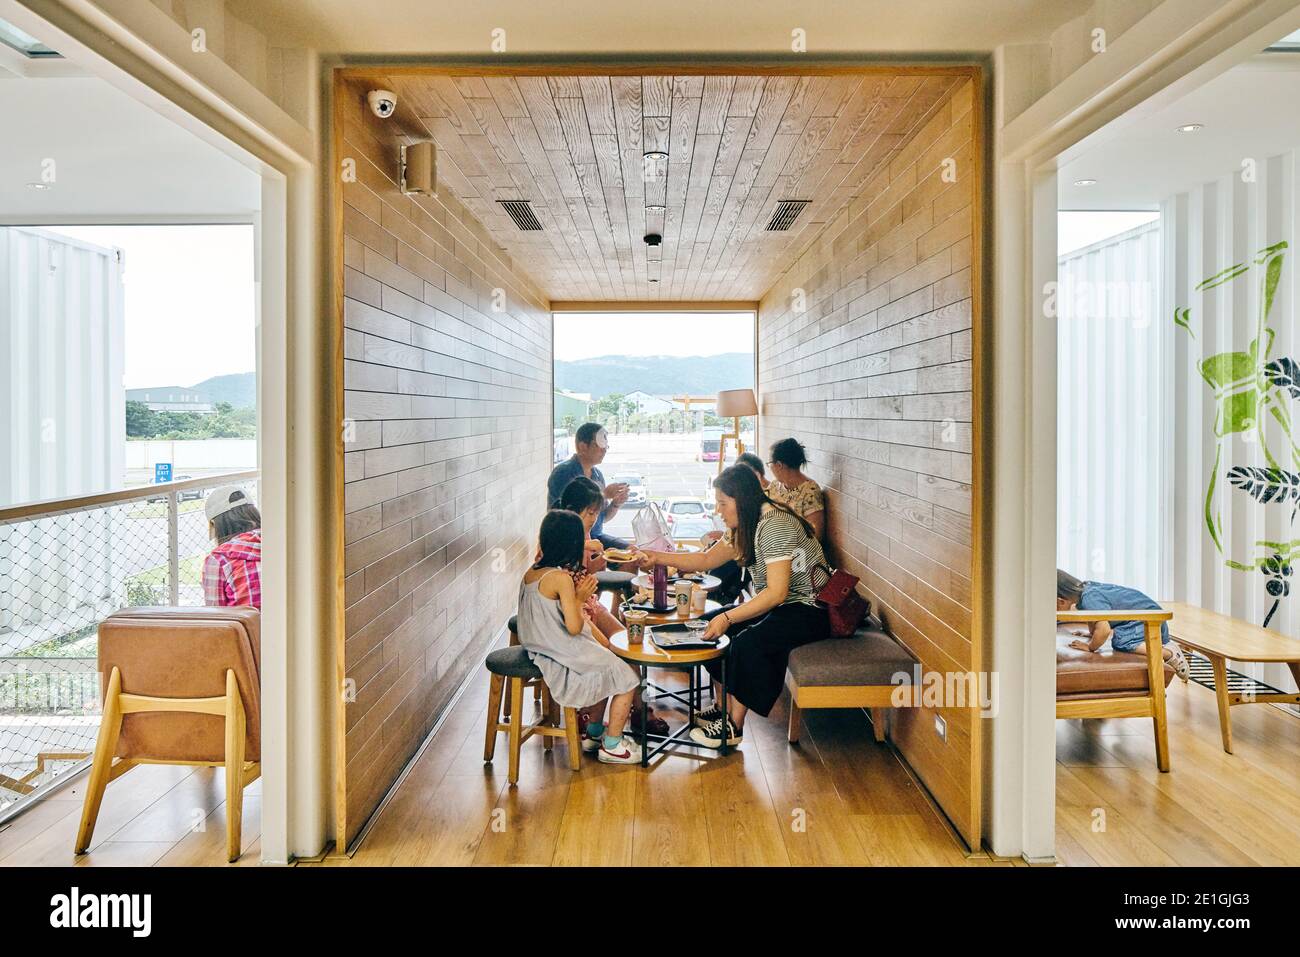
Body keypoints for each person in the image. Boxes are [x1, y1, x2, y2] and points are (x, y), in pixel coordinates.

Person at [635, 465, 832, 748]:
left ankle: (732, 727)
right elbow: (705, 561)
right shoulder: (746, 522)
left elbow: (777, 593)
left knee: (749, 642)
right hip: (784, 604)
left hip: (811, 608)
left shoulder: (774, 524)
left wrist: (728, 617)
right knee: (706, 626)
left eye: (722, 503)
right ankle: (721, 707)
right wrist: (656, 557)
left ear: (741, 499)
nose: (718, 510)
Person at [518, 510, 642, 764]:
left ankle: (593, 735)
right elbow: (574, 627)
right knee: (628, 677)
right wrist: (579, 598)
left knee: (608, 668)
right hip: (562, 649)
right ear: (574, 545)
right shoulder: (561, 579)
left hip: (540, 646)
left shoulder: (531, 572)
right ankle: (612, 745)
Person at [558, 476, 669, 738]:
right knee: (614, 655)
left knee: (631, 643)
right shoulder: (558, 531)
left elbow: (586, 577)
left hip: (589, 604)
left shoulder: (584, 533)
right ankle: (597, 721)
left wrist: (595, 567)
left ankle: (637, 711)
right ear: (572, 510)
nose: (594, 519)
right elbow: (555, 578)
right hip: (569, 612)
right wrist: (587, 559)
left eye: (596, 513)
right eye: (590, 513)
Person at [1056, 569, 1189, 679]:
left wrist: (1090, 647)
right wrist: (1091, 634)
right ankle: (1165, 647)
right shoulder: (1086, 591)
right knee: (1120, 637)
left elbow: (1104, 630)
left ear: (1061, 601)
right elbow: (1095, 616)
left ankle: (1170, 654)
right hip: (1143, 616)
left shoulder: (1089, 597)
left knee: (1121, 642)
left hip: (1147, 618)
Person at [547, 422, 630, 549]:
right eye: (599, 445)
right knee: (596, 552)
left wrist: (615, 504)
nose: (604, 450)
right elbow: (570, 513)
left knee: (632, 553)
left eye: (605, 446)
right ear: (583, 446)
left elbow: (601, 519)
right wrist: (604, 494)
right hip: (568, 538)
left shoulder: (598, 475)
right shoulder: (564, 473)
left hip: (595, 536)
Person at [201, 486, 262, 609]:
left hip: (247, 627)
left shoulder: (219, 559)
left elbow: (217, 615)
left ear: (214, 525)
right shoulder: (281, 542)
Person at [766, 438, 826, 541]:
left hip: (796, 552)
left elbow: (815, 537)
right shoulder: (774, 486)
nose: (769, 467)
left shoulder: (810, 491)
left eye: (769, 463)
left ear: (779, 465)